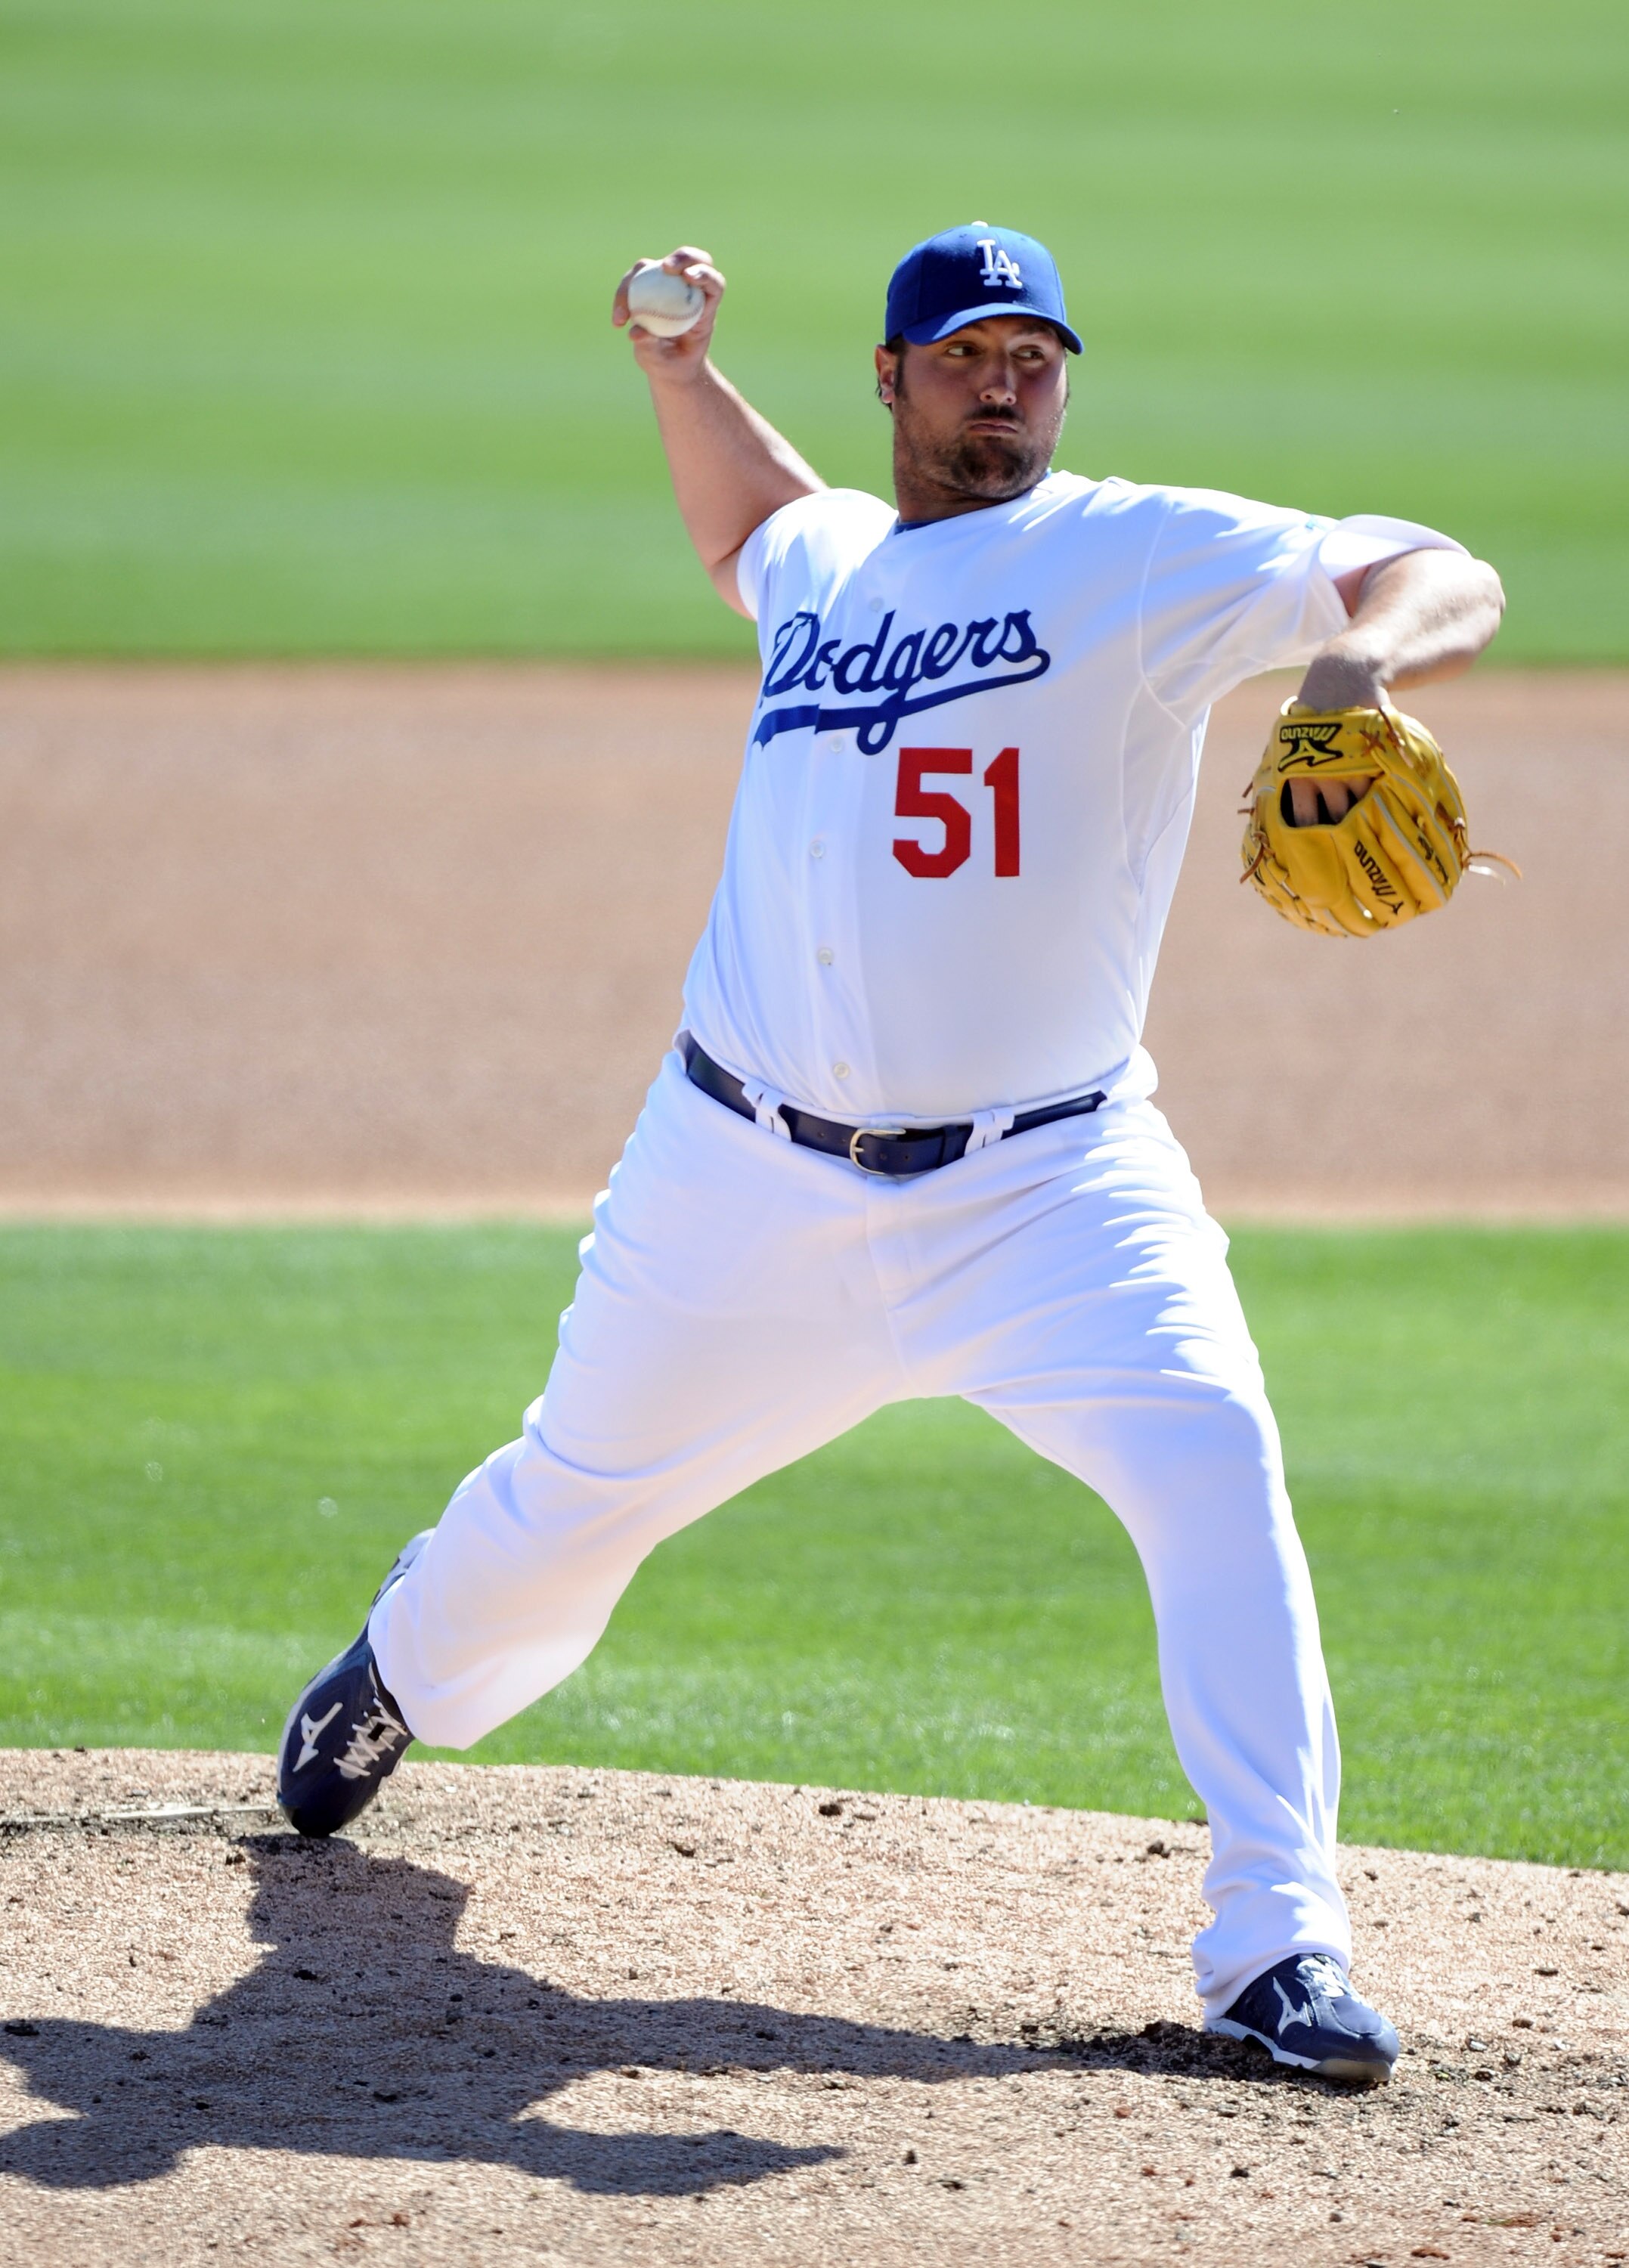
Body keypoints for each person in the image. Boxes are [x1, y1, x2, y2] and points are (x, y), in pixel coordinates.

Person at [277, 223, 1503, 2084]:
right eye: (963, 353)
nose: (1004, 380)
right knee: (565, 1513)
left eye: (1033, 352)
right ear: (891, 378)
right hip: (741, 1179)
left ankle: (1278, 1942)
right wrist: (681, 378)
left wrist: (1355, 669)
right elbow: (749, 530)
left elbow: (1435, 566)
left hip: (1051, 1188)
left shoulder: (1131, 551)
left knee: (1213, 1456)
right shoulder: (832, 561)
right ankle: (397, 1675)